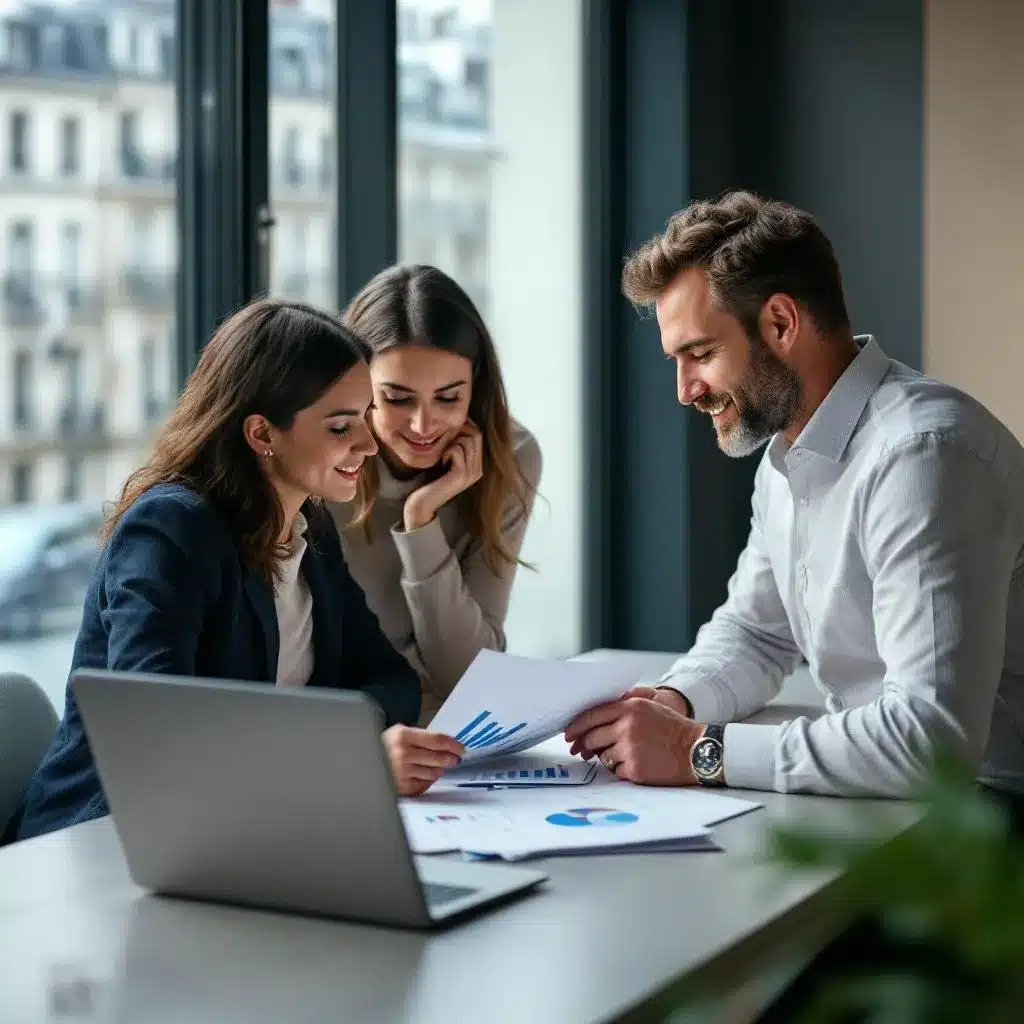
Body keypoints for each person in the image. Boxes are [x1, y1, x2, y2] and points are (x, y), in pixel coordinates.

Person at [565, 190, 1024, 812]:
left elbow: (932, 743)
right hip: (889, 805)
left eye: (701, 354)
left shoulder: (922, 455)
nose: (684, 390)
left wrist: (698, 750)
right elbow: (756, 633)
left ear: (781, 324)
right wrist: (673, 702)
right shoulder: (786, 457)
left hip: (991, 815)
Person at [9, 299, 464, 843]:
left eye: (365, 417)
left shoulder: (309, 527)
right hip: (108, 839)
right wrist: (345, 758)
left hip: (250, 829)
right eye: (341, 426)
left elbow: (392, 681)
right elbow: (156, 737)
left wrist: (318, 749)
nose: (368, 444)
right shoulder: (169, 530)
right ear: (262, 435)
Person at [333, 265, 542, 722]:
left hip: (444, 736)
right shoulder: (321, 458)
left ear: (477, 386)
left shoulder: (512, 457)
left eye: (448, 398)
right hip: (343, 728)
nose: (423, 426)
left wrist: (422, 519)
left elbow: (469, 678)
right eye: (397, 398)